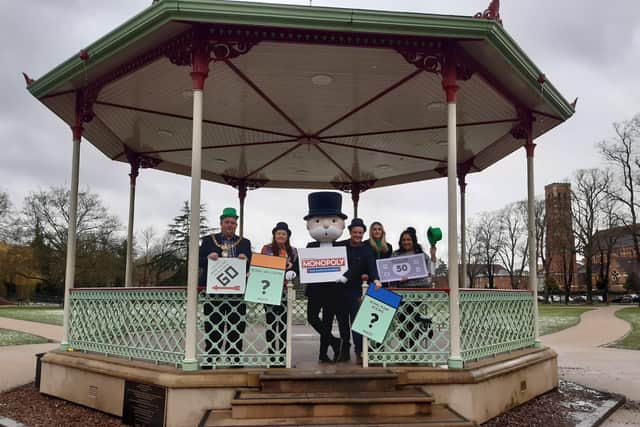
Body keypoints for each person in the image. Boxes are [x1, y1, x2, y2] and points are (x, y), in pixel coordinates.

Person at [198, 207, 251, 367]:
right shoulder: (209, 240)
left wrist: (246, 259)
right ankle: (211, 356)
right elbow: (197, 261)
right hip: (214, 291)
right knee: (213, 324)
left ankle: (234, 357)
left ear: (236, 225)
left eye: (233, 223)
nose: (230, 225)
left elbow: (251, 266)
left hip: (237, 292)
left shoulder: (244, 242)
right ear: (221, 223)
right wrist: (207, 257)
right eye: (227, 222)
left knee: (237, 324)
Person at [303, 192, 346, 363]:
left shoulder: (341, 246)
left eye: (333, 221)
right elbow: (302, 264)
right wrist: (293, 273)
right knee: (312, 317)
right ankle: (335, 342)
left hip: (333, 289)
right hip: (315, 289)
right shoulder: (310, 245)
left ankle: (323, 353)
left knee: (327, 321)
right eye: (319, 221)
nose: (327, 226)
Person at [337, 218, 382, 363]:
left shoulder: (366, 249)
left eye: (360, 233)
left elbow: (371, 266)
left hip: (356, 290)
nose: (358, 235)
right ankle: (345, 350)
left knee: (356, 322)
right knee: (342, 322)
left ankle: (359, 350)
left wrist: (375, 278)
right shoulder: (340, 246)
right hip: (340, 289)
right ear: (350, 232)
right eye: (355, 232)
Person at [390, 228, 437, 353]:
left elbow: (430, 272)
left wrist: (433, 256)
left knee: (412, 318)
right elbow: (390, 272)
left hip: (417, 290)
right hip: (401, 291)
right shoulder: (396, 255)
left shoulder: (421, 255)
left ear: (413, 241)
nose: (406, 242)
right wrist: (397, 278)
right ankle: (423, 327)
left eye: (409, 239)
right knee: (401, 320)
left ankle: (409, 348)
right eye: (404, 240)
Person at [260, 222, 298, 366]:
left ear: (287, 236)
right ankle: (271, 355)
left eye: (284, 234)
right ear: (274, 235)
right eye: (279, 233)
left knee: (283, 325)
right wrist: (283, 264)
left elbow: (296, 269)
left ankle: (282, 356)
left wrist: (292, 270)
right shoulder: (267, 248)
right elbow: (263, 264)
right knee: (270, 323)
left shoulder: (293, 251)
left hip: (285, 290)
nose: (281, 236)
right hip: (269, 290)